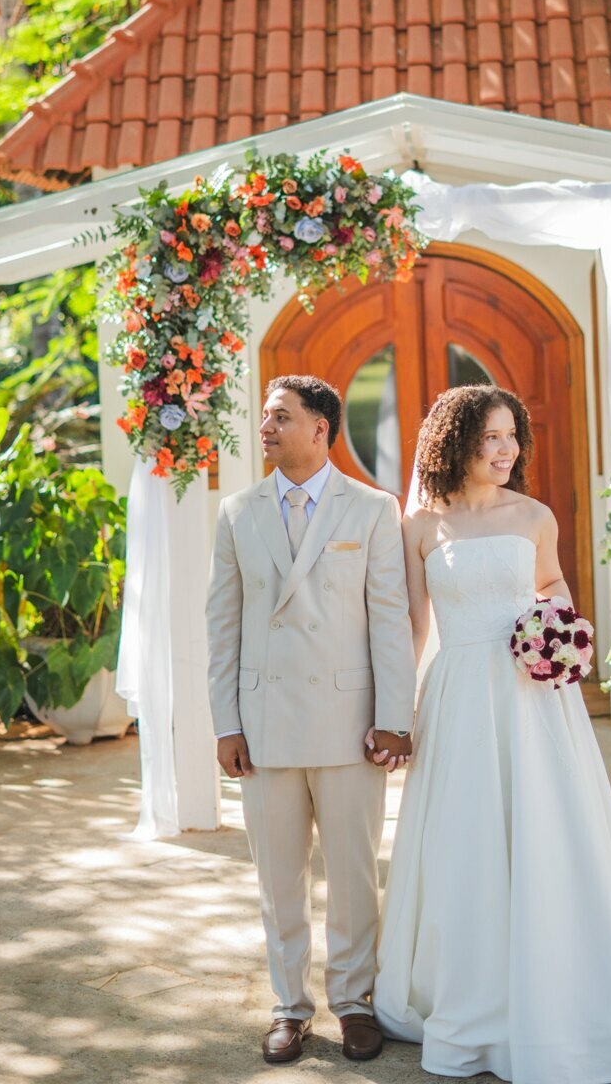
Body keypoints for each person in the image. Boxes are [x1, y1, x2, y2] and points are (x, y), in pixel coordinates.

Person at [373, 383, 611, 1083]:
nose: (502, 450)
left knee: (550, 827)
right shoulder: (422, 527)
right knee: (467, 837)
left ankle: (565, 978)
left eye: (510, 437)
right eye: (488, 437)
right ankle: (472, 992)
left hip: (532, 696)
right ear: (453, 442)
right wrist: (393, 715)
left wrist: (557, 634)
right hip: (460, 695)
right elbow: (413, 626)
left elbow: (553, 587)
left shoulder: (534, 516)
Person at [206, 374, 417, 1066]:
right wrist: (225, 724)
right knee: (278, 879)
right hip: (263, 725)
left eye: (279, 418)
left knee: (354, 873)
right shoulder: (238, 512)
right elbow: (222, 626)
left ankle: (354, 1002)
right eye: (264, 419)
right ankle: (288, 1007)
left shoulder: (372, 509)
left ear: (320, 428)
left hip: (348, 721)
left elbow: (390, 618)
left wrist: (394, 717)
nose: (265, 429)